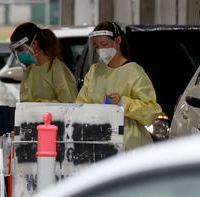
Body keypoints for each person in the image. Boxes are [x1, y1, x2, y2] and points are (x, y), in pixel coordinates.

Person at [76, 22, 162, 150]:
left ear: (118, 40)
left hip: (130, 146)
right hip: (99, 142)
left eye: (104, 44)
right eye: (97, 46)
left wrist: (123, 103)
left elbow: (152, 111)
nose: (101, 50)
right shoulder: (95, 71)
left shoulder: (134, 72)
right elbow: (80, 105)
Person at [9, 22, 77, 103]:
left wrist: (41, 105)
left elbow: (69, 103)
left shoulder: (57, 70)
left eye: (20, 50)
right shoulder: (29, 72)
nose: (19, 55)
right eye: (16, 51)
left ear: (34, 44)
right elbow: (25, 103)